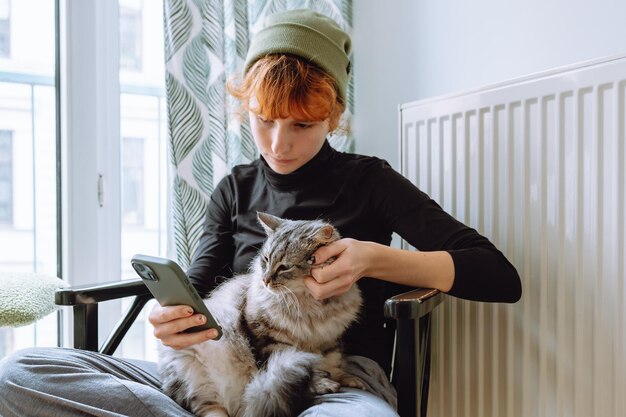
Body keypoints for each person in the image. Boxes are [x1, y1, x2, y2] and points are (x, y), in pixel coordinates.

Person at [0, 9, 521, 417]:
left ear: (332, 116)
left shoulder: (369, 180)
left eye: (301, 125)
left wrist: (373, 258)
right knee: (21, 371)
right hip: (228, 371)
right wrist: (174, 320)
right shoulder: (235, 188)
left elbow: (498, 275)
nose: (279, 143)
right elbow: (199, 290)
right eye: (265, 120)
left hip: (334, 382)